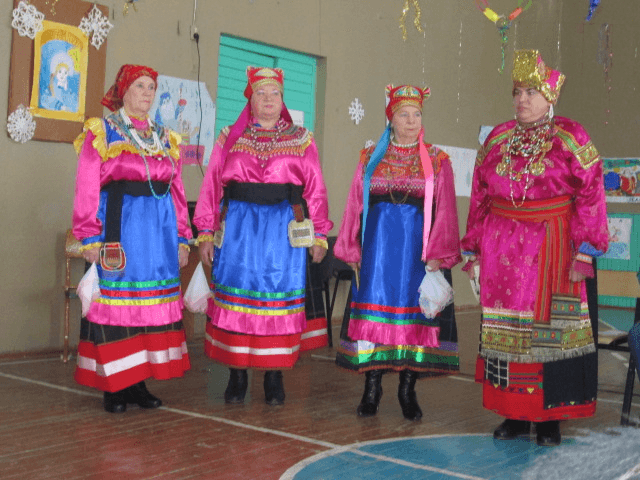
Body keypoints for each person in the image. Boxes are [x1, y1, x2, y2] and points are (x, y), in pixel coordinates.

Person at [462, 50, 609, 446]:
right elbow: (479, 196)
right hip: (501, 251)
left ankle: (548, 419)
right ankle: (513, 414)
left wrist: (586, 249)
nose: (521, 99)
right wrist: (473, 247)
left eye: (530, 91)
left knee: (548, 332)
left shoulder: (571, 136)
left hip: (552, 248)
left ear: (550, 96)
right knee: (505, 330)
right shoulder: (496, 138)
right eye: (517, 92)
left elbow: (593, 192)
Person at [193, 66, 333, 406]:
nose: (268, 100)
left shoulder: (302, 138)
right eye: (261, 94)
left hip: (282, 233)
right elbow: (212, 184)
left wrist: (320, 234)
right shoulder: (230, 137)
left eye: (274, 94)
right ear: (250, 100)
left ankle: (274, 374)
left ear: (282, 100)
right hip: (239, 229)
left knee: (276, 299)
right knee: (239, 298)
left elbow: (315, 189)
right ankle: (237, 373)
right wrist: (206, 232)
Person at [334, 84, 462, 420]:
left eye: (417, 114)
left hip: (416, 256)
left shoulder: (438, 160)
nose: (411, 121)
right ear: (390, 118)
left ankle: (408, 389)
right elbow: (354, 204)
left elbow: (446, 209)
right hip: (377, 253)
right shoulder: (370, 157)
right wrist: (349, 244)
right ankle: (372, 386)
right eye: (403, 114)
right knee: (375, 319)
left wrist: (439, 254)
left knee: (414, 318)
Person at [72, 64, 192, 413]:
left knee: (147, 308)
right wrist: (89, 235)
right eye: (140, 86)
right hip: (118, 228)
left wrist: (183, 237)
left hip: (158, 233)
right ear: (123, 91)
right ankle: (115, 385)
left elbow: (178, 190)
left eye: (152, 87)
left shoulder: (166, 137)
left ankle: (138, 383)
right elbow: (86, 186)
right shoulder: (103, 131)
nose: (147, 93)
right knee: (116, 308)